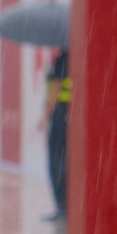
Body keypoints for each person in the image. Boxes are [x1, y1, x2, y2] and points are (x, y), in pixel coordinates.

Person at [45, 47, 70, 219]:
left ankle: (62, 206)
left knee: (56, 159)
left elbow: (55, 89)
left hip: (60, 116)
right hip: (70, 116)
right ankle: (66, 204)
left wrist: (45, 115)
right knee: (65, 159)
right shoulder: (77, 58)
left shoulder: (61, 60)